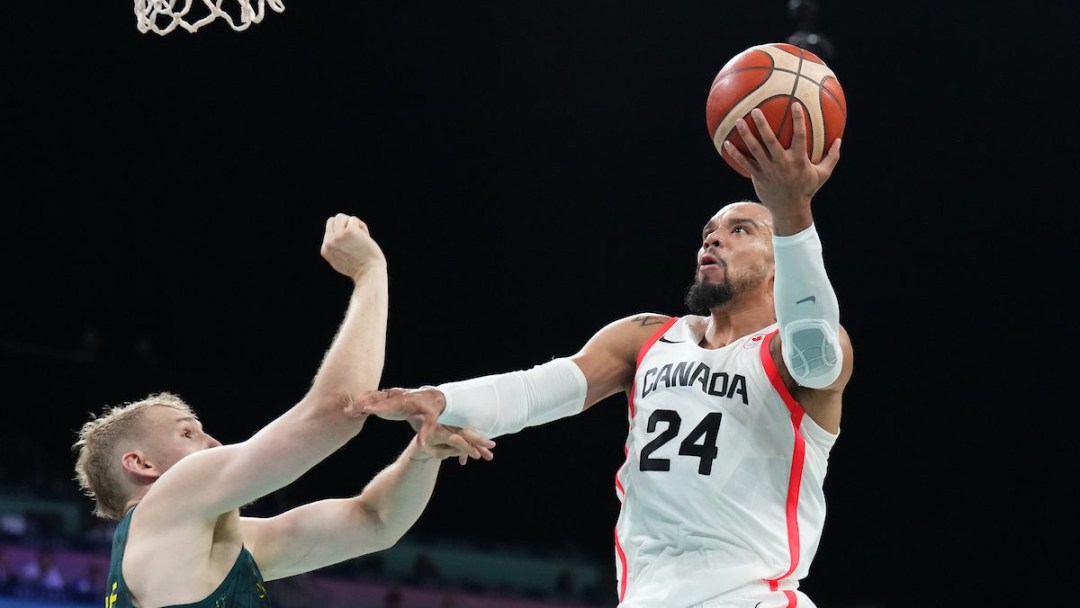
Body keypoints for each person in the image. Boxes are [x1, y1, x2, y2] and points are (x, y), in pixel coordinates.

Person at [348, 103, 854, 608]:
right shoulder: (646, 337)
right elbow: (538, 390)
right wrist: (441, 398)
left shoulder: (795, 352)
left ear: (777, 265)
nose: (715, 237)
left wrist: (793, 213)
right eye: (709, 231)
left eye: (741, 230)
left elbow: (816, 354)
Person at [72, 213, 496, 607]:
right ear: (140, 463)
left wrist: (423, 453)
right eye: (187, 433)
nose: (214, 440)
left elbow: (376, 521)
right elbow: (335, 414)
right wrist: (370, 274)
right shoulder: (169, 500)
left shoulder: (226, 546)